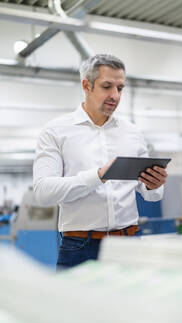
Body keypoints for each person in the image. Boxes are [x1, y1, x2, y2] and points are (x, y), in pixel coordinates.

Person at [33, 54, 168, 270]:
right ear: (87, 85)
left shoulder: (132, 132)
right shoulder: (56, 131)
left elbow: (151, 194)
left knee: (132, 305)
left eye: (120, 88)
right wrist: (97, 176)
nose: (115, 95)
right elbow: (43, 191)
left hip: (129, 242)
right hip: (79, 247)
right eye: (107, 86)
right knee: (77, 305)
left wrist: (154, 185)